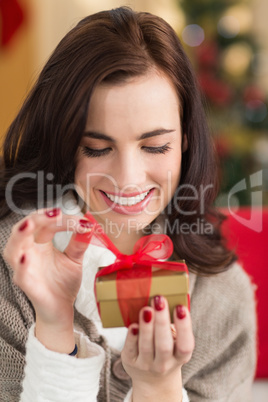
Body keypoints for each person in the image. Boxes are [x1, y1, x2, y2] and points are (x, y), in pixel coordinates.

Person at [0, 6, 256, 402]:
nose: (128, 179)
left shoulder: (223, 299)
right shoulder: (11, 273)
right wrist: (54, 330)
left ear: (186, 140)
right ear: (64, 142)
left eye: (156, 146)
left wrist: (160, 388)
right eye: (97, 148)